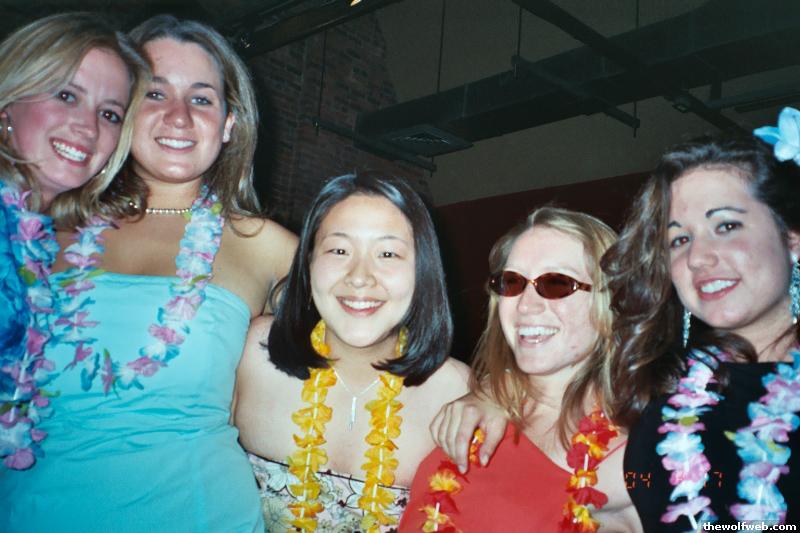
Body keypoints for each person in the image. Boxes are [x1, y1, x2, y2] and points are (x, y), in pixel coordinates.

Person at [0, 14, 296, 532]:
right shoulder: (42, 229)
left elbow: (380, 331)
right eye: (156, 94)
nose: (179, 116)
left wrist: (462, 398)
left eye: (201, 98)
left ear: (229, 124)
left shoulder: (264, 245)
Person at [234, 172, 470, 532]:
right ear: (308, 261)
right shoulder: (251, 353)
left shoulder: (460, 393)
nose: (360, 276)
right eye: (339, 250)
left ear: (423, 270)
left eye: (388, 253)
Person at [602, 115, 800, 529]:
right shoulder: (657, 392)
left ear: (791, 240)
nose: (697, 258)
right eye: (679, 239)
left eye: (726, 225)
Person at [398, 206, 641, 532]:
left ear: (610, 299)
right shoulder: (477, 401)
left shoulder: (637, 452)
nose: (526, 305)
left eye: (557, 283)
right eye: (512, 282)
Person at [0, 12, 146, 471]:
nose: (88, 128)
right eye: (67, 95)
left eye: (109, 114)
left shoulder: (38, 240)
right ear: (7, 104)